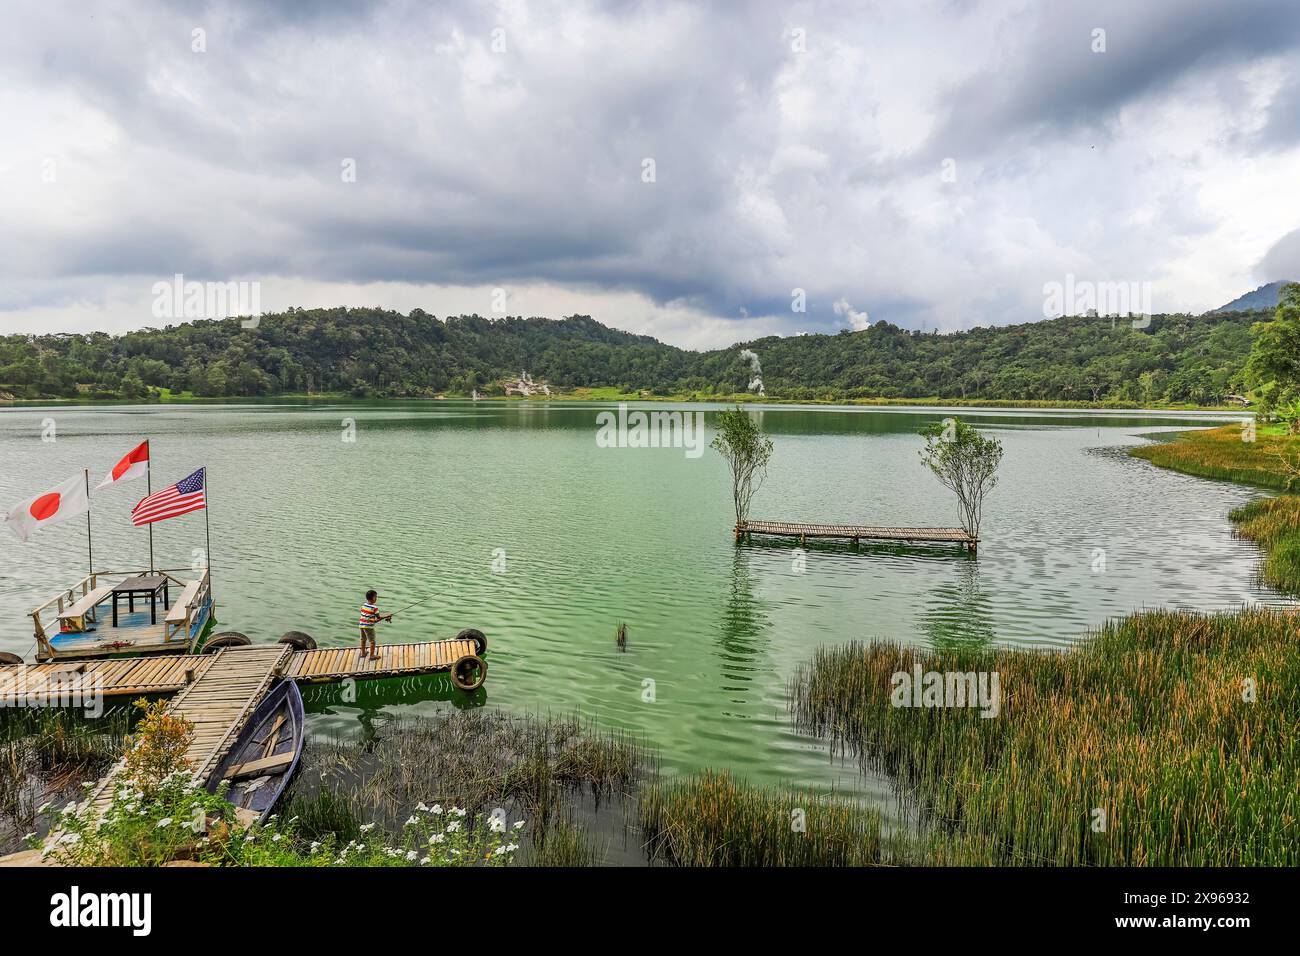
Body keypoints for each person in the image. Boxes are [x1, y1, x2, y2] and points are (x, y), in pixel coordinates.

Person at [358, 589, 392, 661]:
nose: (376, 598)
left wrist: (374, 620)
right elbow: (378, 617)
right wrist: (387, 616)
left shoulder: (364, 605)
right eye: (376, 597)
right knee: (372, 641)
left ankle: (363, 653)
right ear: (373, 598)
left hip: (361, 625)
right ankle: (372, 656)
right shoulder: (374, 608)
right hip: (368, 627)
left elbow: (367, 617)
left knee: (363, 639)